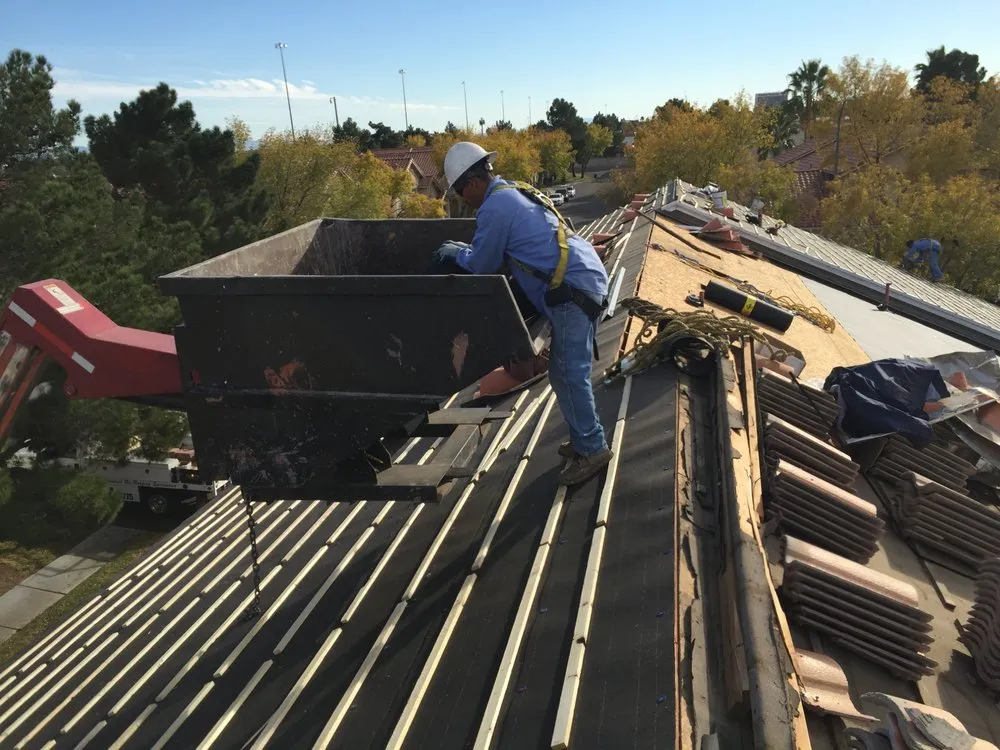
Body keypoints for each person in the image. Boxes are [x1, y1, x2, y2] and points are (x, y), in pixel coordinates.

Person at [433, 142, 611, 486]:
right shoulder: (512, 191)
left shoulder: (495, 206)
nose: (464, 201)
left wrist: (457, 254)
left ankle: (593, 448)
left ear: (471, 183)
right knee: (562, 373)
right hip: (578, 277)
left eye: (459, 193)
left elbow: (483, 264)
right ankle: (584, 438)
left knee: (570, 374)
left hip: (573, 289)